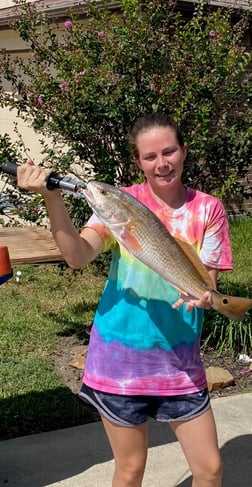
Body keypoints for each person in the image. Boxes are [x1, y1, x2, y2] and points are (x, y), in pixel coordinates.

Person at [17, 113, 233, 487]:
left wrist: (204, 298)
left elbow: (206, 281)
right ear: (138, 162)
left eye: (169, 151)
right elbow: (77, 255)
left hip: (180, 363)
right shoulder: (123, 203)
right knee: (130, 469)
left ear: (183, 151)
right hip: (119, 363)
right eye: (150, 157)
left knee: (210, 469)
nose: (161, 163)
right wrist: (52, 199)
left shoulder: (208, 209)